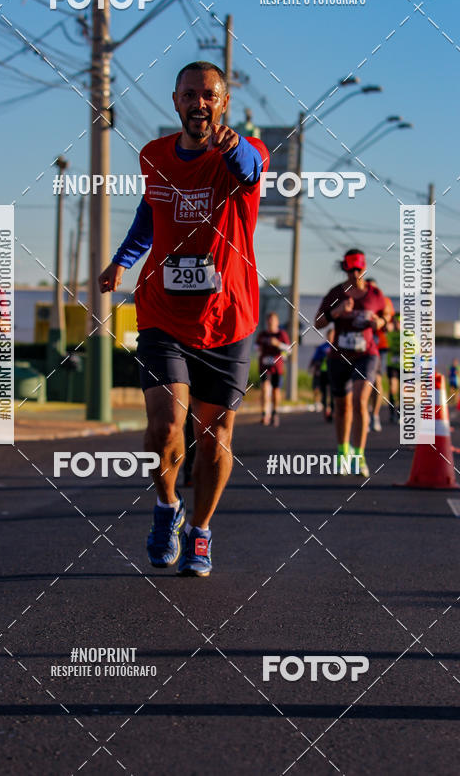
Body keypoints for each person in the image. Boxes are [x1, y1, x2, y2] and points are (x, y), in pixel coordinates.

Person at [98, 61, 269, 577]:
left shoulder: (244, 152)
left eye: (210, 95)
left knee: (215, 434)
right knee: (166, 425)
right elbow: (151, 211)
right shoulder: (153, 156)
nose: (200, 102)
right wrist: (122, 261)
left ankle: (200, 531)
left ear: (223, 102)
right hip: (163, 312)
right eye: (190, 94)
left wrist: (227, 143)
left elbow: (251, 171)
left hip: (227, 317)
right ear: (175, 101)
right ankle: (167, 505)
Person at [314, 249, 390, 477]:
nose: (355, 273)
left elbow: (388, 316)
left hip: (367, 354)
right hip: (339, 356)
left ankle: (359, 456)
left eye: (359, 269)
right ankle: (342, 453)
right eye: (351, 269)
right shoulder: (336, 293)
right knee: (342, 407)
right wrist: (336, 312)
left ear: (364, 268)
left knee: (360, 400)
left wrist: (380, 321)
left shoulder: (375, 294)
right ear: (345, 269)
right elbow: (317, 322)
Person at [365, 278, 394, 432]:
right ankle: (365, 414)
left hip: (379, 346)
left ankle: (374, 415)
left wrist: (381, 322)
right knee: (363, 383)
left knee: (376, 380)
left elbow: (389, 324)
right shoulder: (359, 299)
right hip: (362, 346)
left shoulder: (384, 301)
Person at [255, 311, 290, 427]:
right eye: (269, 321)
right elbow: (256, 346)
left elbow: (289, 349)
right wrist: (259, 348)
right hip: (264, 366)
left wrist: (278, 344)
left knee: (275, 391)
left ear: (277, 322)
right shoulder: (262, 334)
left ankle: (275, 413)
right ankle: (265, 414)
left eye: (273, 321)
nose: (271, 323)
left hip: (277, 367)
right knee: (265, 388)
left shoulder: (282, 334)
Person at [310, 327, 334, 421]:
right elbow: (315, 359)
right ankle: (326, 411)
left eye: (333, 335)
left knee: (333, 393)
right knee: (324, 393)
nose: (331, 337)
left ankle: (332, 411)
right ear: (327, 336)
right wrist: (312, 367)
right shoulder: (322, 347)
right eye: (329, 335)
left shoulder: (338, 347)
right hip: (324, 372)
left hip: (334, 373)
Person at [386, 312, 401, 423]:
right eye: (395, 322)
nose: (397, 324)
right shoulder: (389, 335)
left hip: (404, 366)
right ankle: (392, 413)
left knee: (403, 391)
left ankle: (400, 412)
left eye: (399, 322)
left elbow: (416, 349)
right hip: (392, 365)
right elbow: (385, 345)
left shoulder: (408, 335)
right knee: (392, 388)